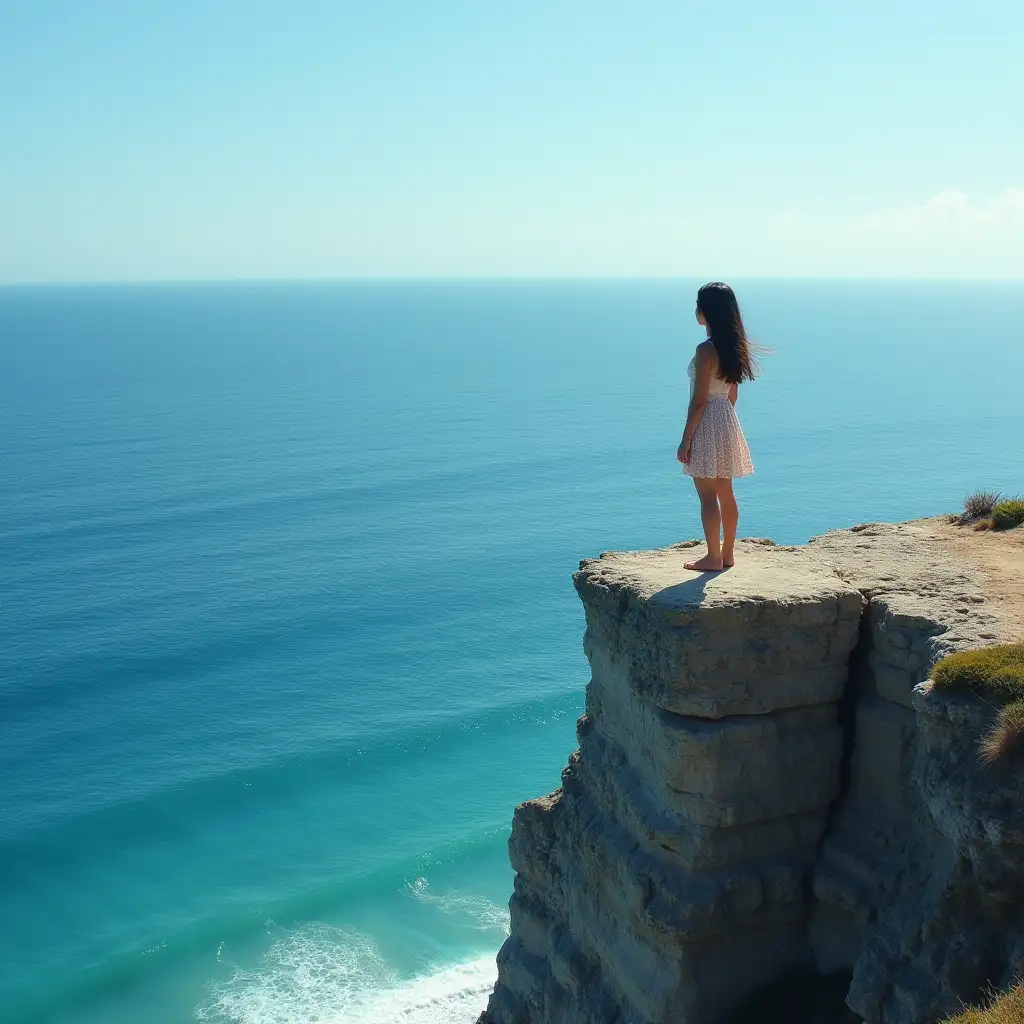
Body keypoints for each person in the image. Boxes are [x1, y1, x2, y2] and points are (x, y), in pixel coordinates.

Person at [676, 282, 757, 571]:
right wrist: (723, 423)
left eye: (698, 305)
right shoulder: (733, 347)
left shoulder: (705, 350)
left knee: (707, 494)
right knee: (726, 491)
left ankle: (712, 558)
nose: (696, 310)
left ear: (706, 311)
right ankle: (728, 554)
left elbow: (698, 402)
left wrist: (686, 440)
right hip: (726, 418)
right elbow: (732, 394)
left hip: (707, 419)